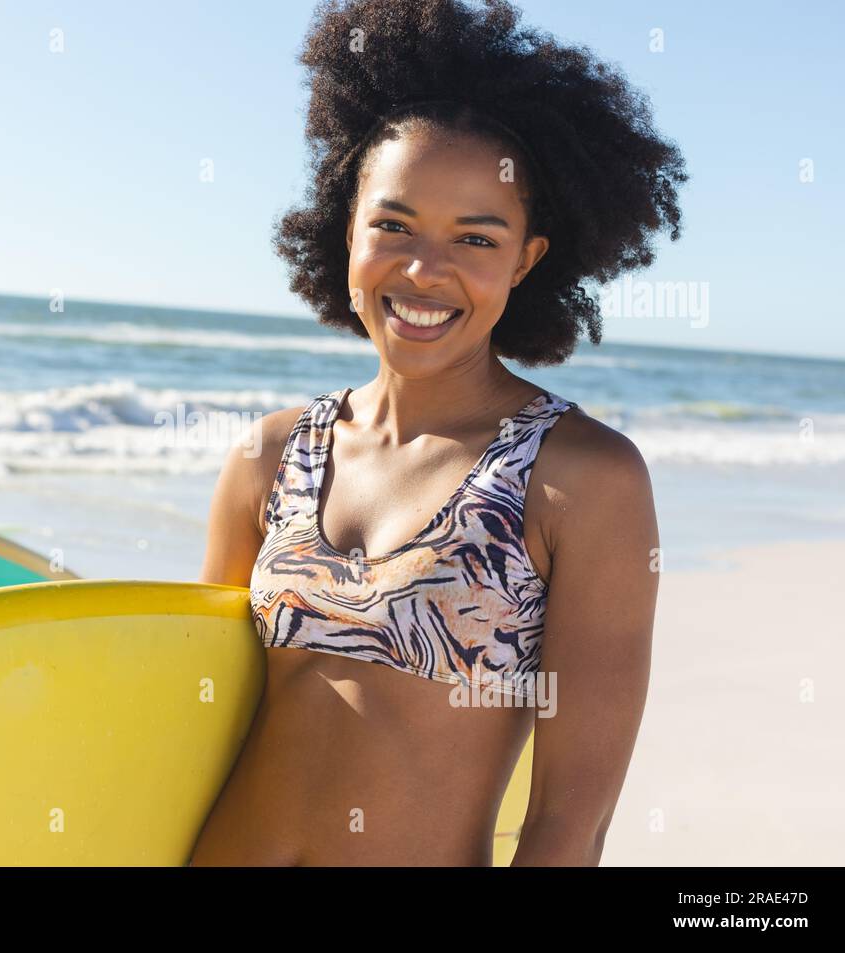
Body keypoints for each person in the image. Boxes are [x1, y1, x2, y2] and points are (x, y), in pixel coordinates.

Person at [192, 0, 684, 865]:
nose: (426, 270)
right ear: (348, 226)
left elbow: (571, 821)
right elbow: (191, 722)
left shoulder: (578, 478)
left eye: (475, 238)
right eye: (394, 225)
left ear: (527, 260)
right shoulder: (269, 457)